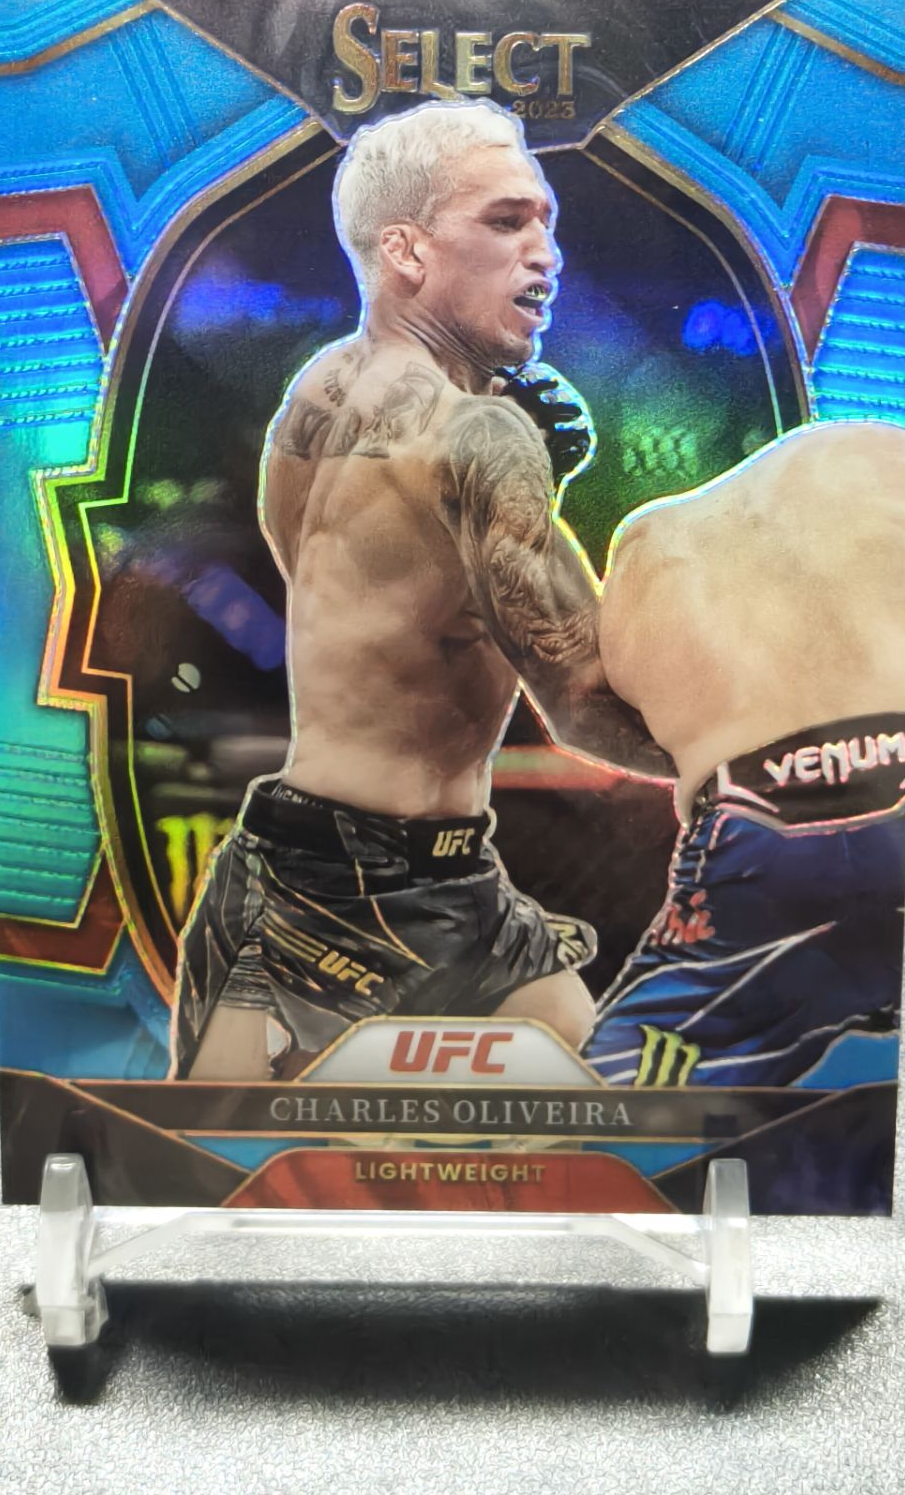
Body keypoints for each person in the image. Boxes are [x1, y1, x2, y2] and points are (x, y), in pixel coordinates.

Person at [172, 98, 668, 1079]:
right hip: (331, 897)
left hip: (420, 871)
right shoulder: (483, 437)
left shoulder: (322, 388)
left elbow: (330, 574)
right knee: (221, 1155)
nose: (546, 253)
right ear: (404, 250)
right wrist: (755, 762)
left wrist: (502, 523)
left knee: (598, 1104)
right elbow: (585, 701)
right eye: (506, 221)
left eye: (546, 221)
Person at [584, 420, 905, 1089]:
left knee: (624, 1101)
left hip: (757, 822)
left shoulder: (648, 544)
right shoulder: (873, 450)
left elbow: (586, 712)